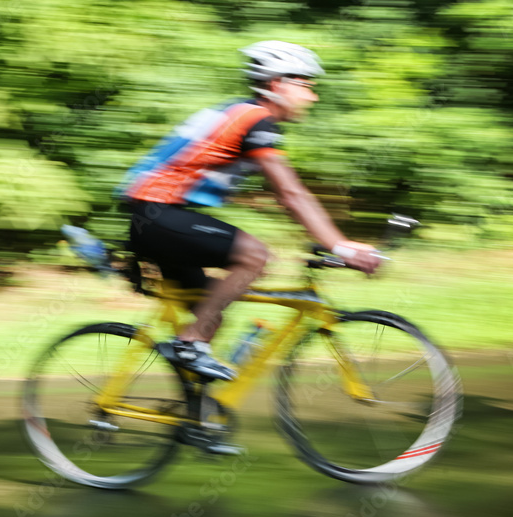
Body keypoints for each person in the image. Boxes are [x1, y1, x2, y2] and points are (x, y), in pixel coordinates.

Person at [118, 41, 382, 381]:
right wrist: (340, 246)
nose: (312, 97)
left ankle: (197, 423)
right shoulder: (256, 121)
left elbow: (275, 195)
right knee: (255, 256)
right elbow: (291, 194)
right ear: (278, 84)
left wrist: (324, 238)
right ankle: (189, 343)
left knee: (210, 315)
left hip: (155, 217)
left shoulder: (241, 115)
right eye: (306, 86)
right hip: (157, 214)